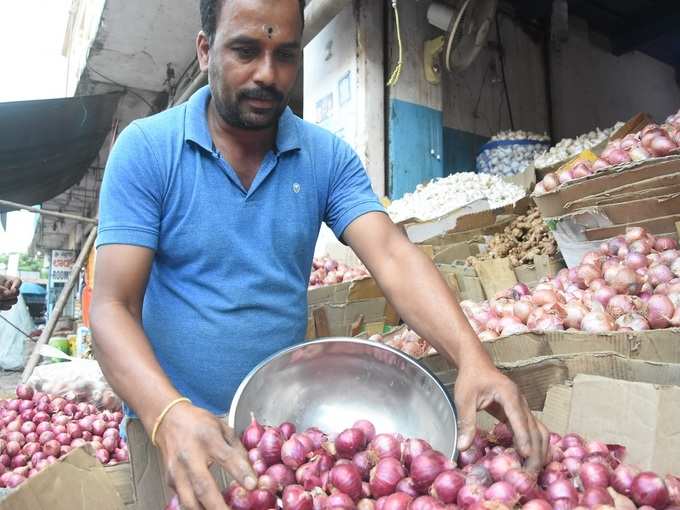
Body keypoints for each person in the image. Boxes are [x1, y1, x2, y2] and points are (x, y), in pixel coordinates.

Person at [90, 0, 549, 508]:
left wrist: (473, 359)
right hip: (174, 435)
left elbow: (392, 255)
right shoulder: (148, 150)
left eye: (285, 54)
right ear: (205, 51)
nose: (268, 73)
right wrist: (166, 413)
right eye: (245, 50)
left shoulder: (325, 157)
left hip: (281, 440)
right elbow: (112, 306)